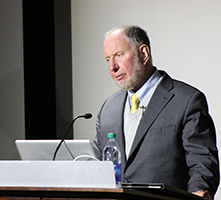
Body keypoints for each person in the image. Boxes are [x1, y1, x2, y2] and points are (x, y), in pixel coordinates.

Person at [93, 25, 219, 199]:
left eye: (118, 55)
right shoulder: (109, 107)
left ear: (143, 54)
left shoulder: (186, 100)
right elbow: (95, 163)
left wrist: (198, 192)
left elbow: (202, 161)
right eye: (107, 59)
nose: (112, 67)